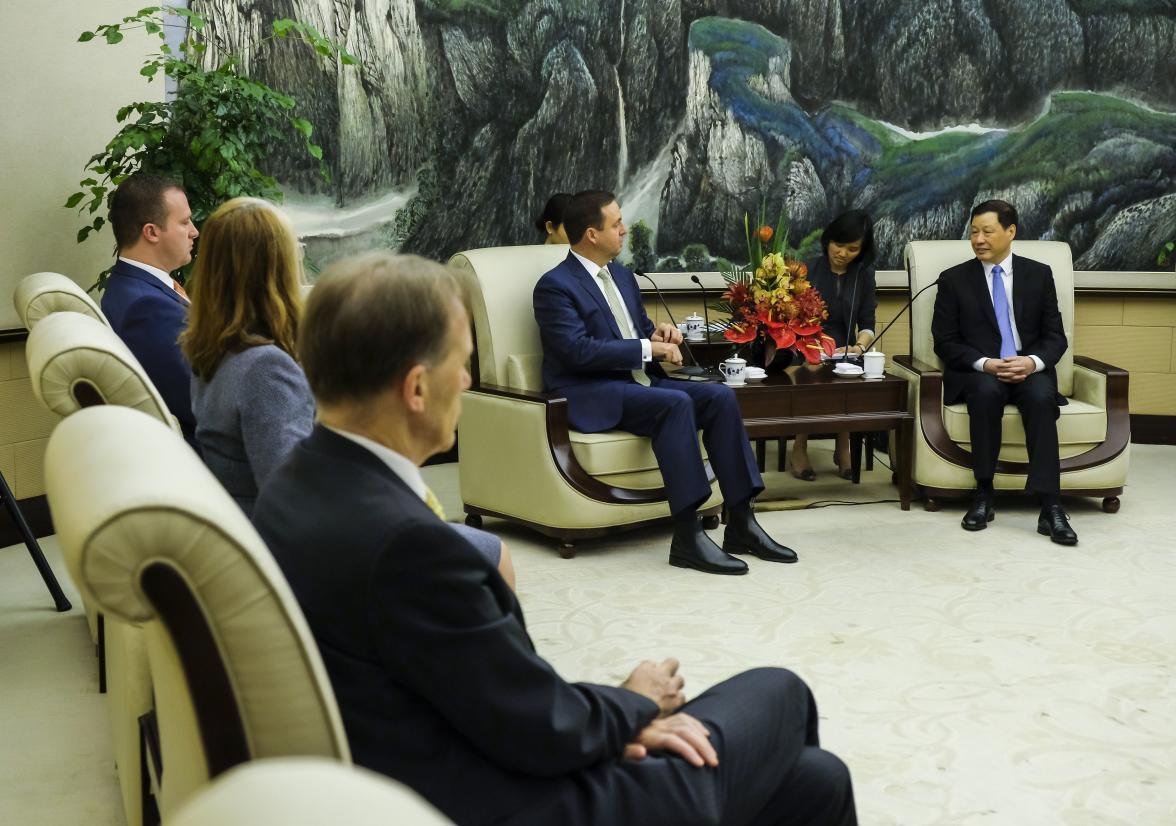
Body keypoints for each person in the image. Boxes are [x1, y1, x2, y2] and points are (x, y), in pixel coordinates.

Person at [252, 251, 857, 826]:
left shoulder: (295, 484)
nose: (467, 381)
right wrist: (635, 703)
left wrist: (610, 716)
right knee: (784, 693)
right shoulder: (411, 546)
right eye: (462, 364)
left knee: (815, 780)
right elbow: (538, 728)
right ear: (415, 389)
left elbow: (490, 690)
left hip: (462, 759)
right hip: (537, 802)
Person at [181, 200, 514, 586]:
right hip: (295, 550)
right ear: (277, 267)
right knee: (495, 554)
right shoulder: (266, 368)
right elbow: (292, 492)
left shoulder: (210, 352)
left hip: (251, 534)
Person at [533, 190, 796, 575]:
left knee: (719, 397)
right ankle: (687, 536)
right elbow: (577, 352)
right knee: (676, 404)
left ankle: (742, 521)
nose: (624, 229)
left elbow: (637, 334)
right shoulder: (555, 285)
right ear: (592, 234)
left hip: (638, 383)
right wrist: (646, 348)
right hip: (590, 392)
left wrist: (660, 336)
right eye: (616, 223)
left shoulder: (622, 276)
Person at [931, 199, 1077, 545]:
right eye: (974, 232)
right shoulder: (953, 280)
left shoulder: (1038, 275)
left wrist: (1032, 362)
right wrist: (986, 364)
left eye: (987, 231)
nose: (978, 239)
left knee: (1041, 398)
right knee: (984, 393)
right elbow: (945, 342)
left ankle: (1050, 505)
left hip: (1029, 367)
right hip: (982, 371)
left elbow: (1055, 337)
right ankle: (983, 494)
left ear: (1010, 232)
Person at [102, 172, 200, 447]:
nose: (194, 231)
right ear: (152, 232)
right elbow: (200, 401)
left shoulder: (133, 287)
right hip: (208, 465)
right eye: (184, 222)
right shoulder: (146, 308)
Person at [791, 211, 878, 481]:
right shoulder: (807, 270)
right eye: (838, 245)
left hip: (844, 349)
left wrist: (860, 348)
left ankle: (843, 447)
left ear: (862, 250)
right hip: (804, 345)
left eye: (852, 249)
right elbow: (790, 319)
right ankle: (800, 445)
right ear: (828, 240)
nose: (843, 253)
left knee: (851, 375)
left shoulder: (864, 275)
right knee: (811, 373)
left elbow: (867, 324)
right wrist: (809, 348)